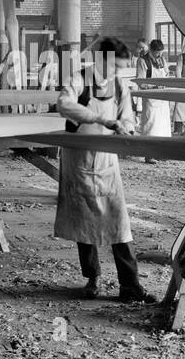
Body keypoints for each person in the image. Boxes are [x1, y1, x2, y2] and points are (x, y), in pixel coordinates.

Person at [55, 37, 156, 304]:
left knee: (119, 224)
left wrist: (126, 126)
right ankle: (92, 278)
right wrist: (102, 118)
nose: (116, 72)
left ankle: (130, 285)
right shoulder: (79, 79)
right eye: (113, 65)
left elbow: (128, 116)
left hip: (107, 164)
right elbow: (64, 104)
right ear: (101, 58)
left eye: (120, 67)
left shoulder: (120, 86)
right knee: (83, 224)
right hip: (79, 161)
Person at [137, 39, 171, 152]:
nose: (160, 54)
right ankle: (149, 153)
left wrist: (165, 83)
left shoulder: (162, 59)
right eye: (158, 52)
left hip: (163, 98)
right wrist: (154, 86)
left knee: (163, 126)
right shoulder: (143, 61)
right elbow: (140, 82)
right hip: (151, 97)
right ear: (151, 49)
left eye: (161, 52)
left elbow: (166, 74)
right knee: (151, 125)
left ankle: (163, 151)